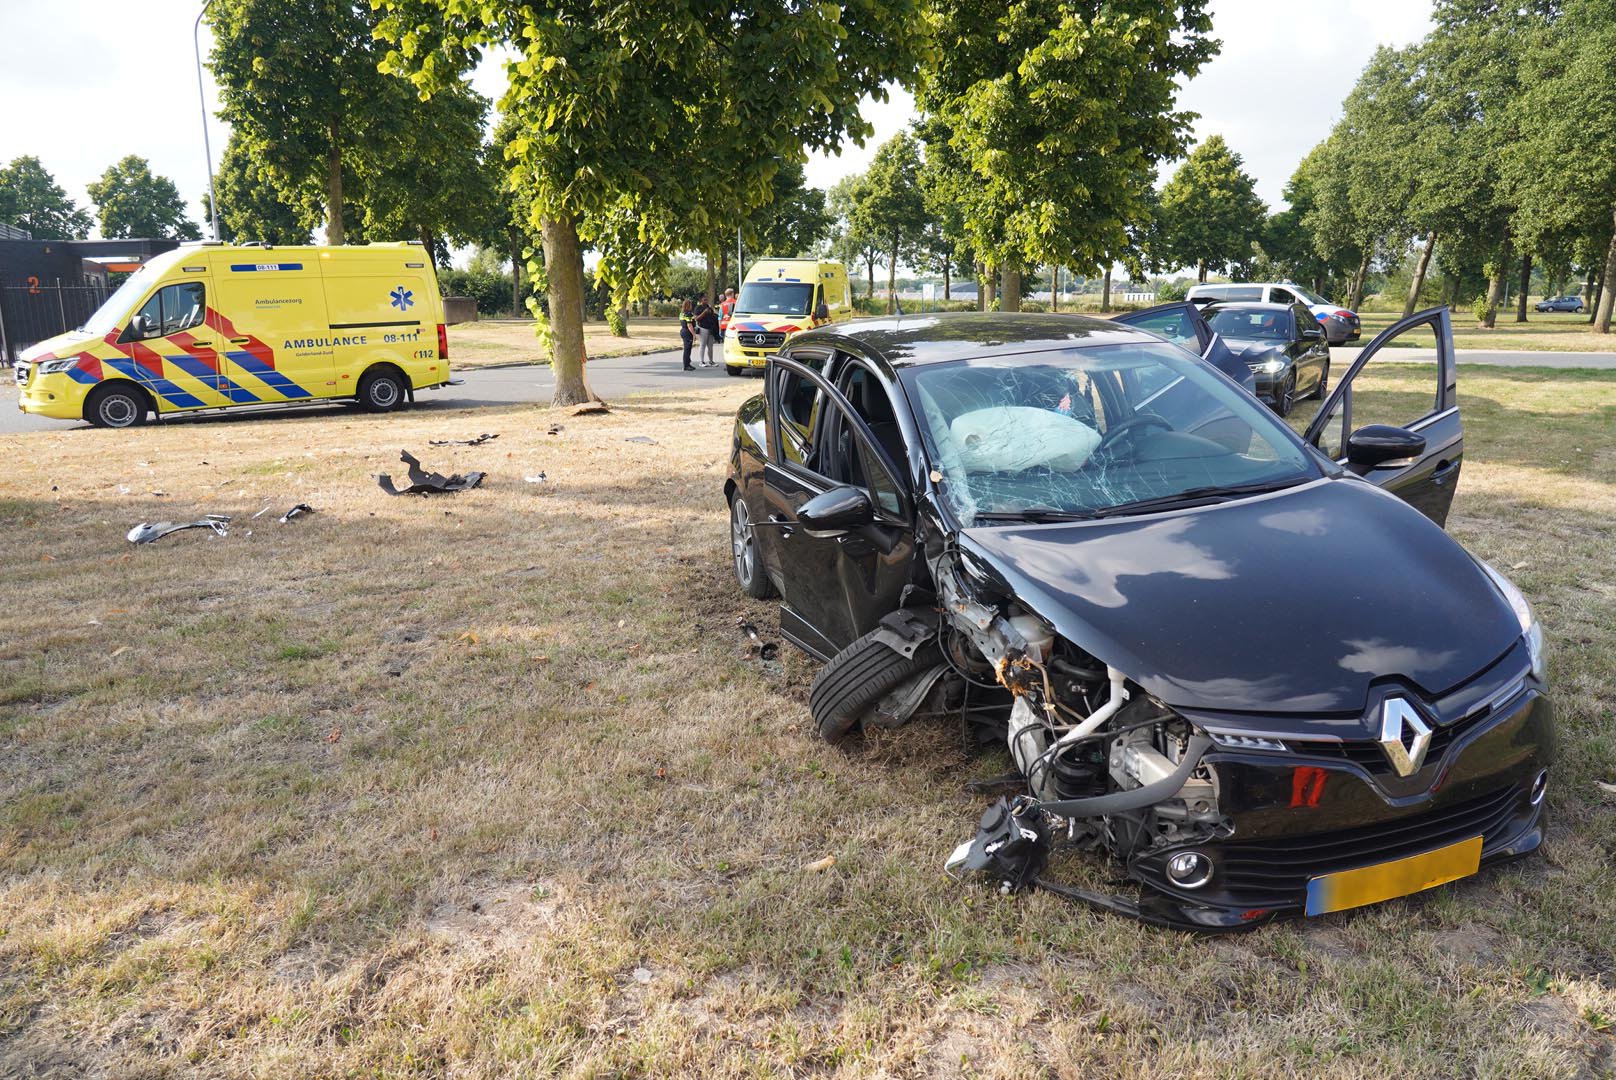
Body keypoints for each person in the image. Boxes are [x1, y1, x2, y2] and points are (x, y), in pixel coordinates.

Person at [695, 294, 721, 367]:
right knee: (702, 345)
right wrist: (704, 313)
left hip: (711, 328)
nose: (706, 301)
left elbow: (714, 315)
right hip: (703, 328)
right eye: (704, 300)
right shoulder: (698, 308)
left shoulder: (709, 307)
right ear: (700, 301)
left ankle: (711, 361)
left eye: (706, 299)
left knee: (710, 346)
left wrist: (711, 310)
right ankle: (701, 361)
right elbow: (696, 318)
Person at [678, 298, 696, 370]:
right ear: (688, 306)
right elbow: (689, 325)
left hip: (683, 330)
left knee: (687, 348)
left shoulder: (682, 313)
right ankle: (686, 365)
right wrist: (694, 334)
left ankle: (688, 363)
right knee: (687, 349)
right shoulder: (688, 314)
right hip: (688, 332)